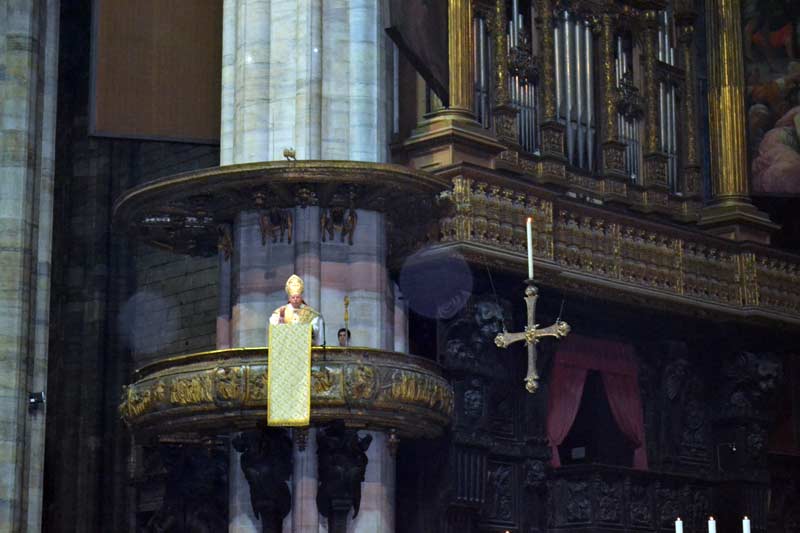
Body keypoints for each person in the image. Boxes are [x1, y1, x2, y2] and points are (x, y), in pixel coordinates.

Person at [269, 275, 324, 345]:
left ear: (301, 298)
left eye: (297, 297)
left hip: (304, 346)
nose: (295, 299)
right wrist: (281, 318)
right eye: (293, 297)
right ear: (289, 299)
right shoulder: (280, 312)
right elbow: (275, 330)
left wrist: (308, 329)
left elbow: (316, 331)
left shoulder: (310, 313)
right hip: (286, 346)